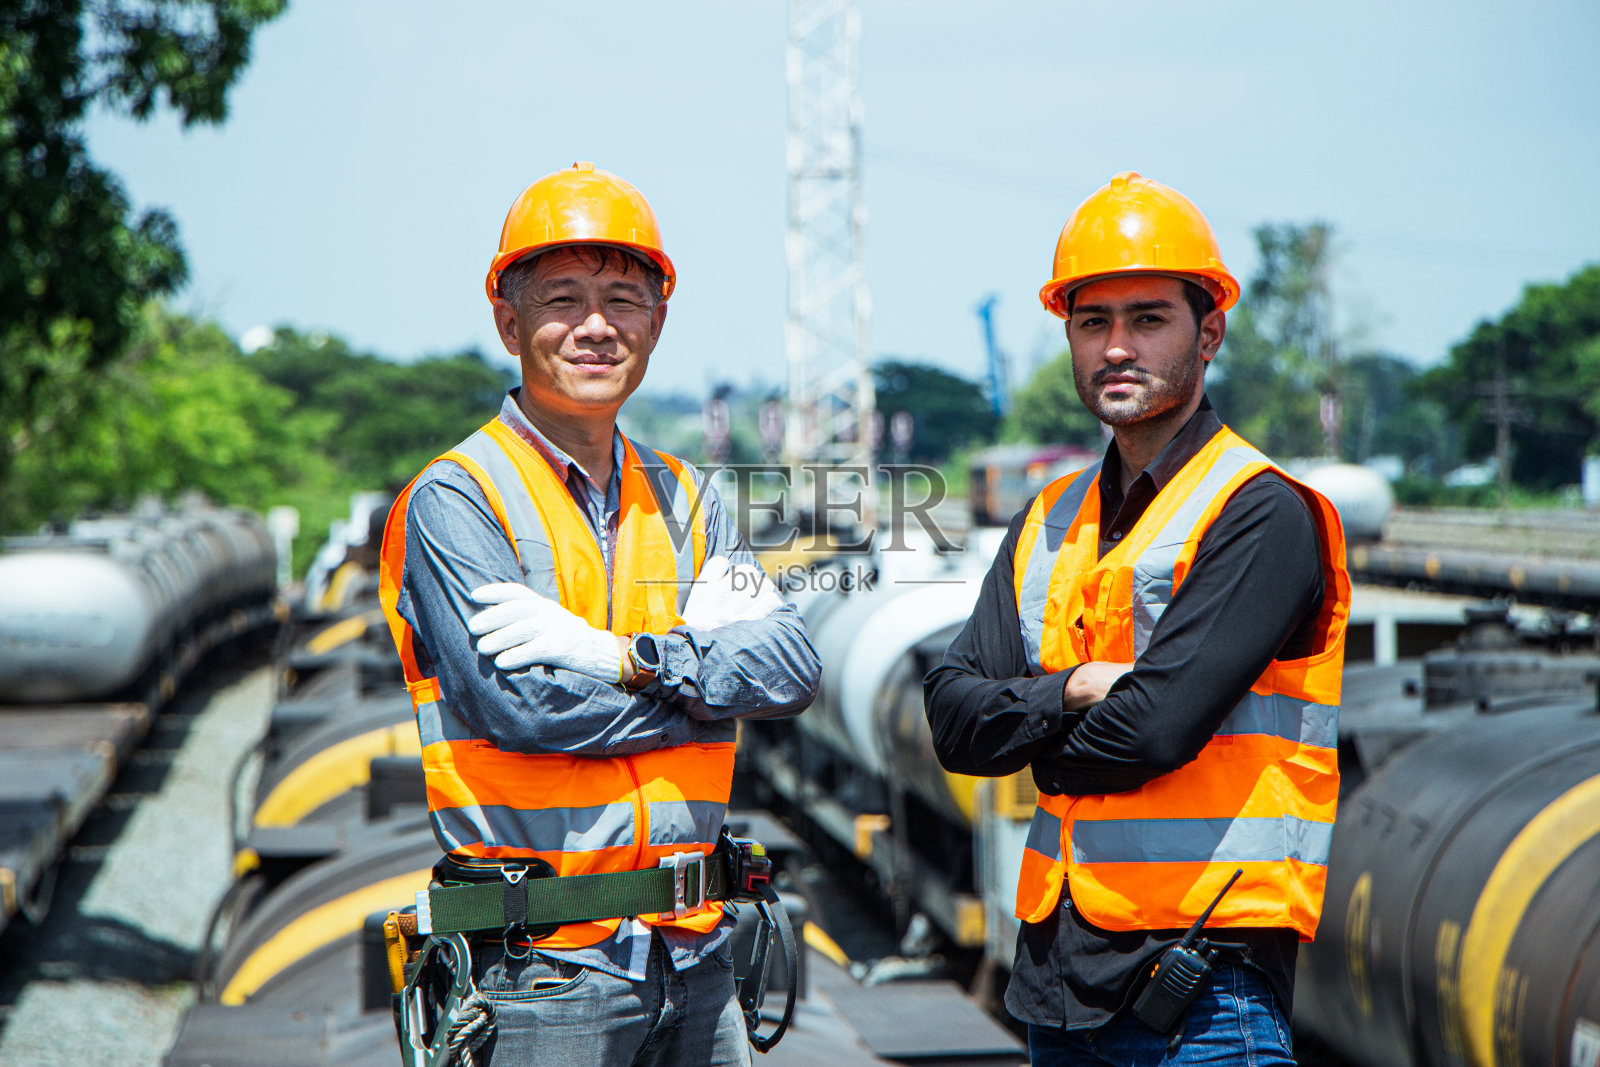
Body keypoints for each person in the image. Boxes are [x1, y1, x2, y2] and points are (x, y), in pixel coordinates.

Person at [377, 161, 820, 1066]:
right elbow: (526, 708)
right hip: (542, 973)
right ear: (509, 319)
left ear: (657, 319)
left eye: (624, 297)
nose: (595, 325)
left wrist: (628, 660)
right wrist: (707, 683)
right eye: (563, 297)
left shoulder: (690, 499)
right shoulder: (459, 500)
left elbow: (791, 668)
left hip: (697, 958)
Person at [924, 172, 1351, 1065]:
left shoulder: (1259, 511)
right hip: (1058, 979)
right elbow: (953, 721)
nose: (1116, 346)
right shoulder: (1046, 519)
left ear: (1210, 333)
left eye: (1148, 318)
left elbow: (1154, 731)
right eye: (1093, 322)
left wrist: (1033, 733)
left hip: (1204, 990)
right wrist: (1076, 687)